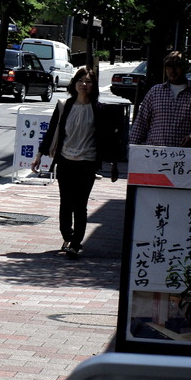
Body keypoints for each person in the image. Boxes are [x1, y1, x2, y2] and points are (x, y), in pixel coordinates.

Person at [31, 67, 123, 259]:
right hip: (65, 160)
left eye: (88, 81)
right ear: (74, 83)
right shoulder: (64, 106)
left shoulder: (99, 110)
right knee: (66, 202)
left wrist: (114, 164)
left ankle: (75, 243)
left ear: (93, 86)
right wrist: (40, 154)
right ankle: (67, 234)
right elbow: (51, 132)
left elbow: (108, 139)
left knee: (80, 204)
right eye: (80, 80)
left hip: (87, 162)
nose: (84, 84)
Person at [129, 51, 191, 147]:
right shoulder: (155, 91)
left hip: (182, 155)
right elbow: (141, 122)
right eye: (169, 66)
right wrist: (133, 149)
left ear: (185, 68)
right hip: (154, 153)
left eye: (177, 66)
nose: (172, 70)